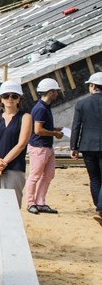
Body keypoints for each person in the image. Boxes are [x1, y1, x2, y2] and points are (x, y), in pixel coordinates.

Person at [0, 81, 32, 214]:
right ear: (1, 99)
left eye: (14, 96)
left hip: (13, 167)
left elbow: (21, 144)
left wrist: (3, 163)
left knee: (11, 208)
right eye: (6, 96)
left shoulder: (25, 117)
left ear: (19, 99)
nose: (10, 99)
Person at [25, 77, 64, 215]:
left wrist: (54, 129)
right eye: (55, 91)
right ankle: (30, 203)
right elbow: (38, 130)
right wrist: (54, 133)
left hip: (45, 146)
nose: (57, 94)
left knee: (48, 175)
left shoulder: (43, 107)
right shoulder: (41, 108)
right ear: (50, 92)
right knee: (35, 176)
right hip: (39, 147)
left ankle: (40, 202)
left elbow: (40, 127)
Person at [70, 71, 102, 223]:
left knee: (94, 178)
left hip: (87, 145)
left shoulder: (82, 103)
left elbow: (76, 126)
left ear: (93, 86)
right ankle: (101, 209)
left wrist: (73, 147)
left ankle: (99, 207)